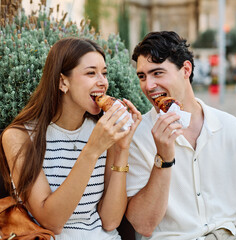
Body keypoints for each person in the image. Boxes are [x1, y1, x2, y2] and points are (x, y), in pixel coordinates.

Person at [125, 31, 236, 240]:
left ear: (185, 69)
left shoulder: (230, 127)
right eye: (142, 76)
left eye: (157, 73)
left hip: (227, 234)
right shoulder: (138, 135)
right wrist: (163, 160)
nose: (148, 86)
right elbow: (143, 224)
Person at [0, 37, 141, 239]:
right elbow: (52, 222)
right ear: (62, 82)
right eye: (91, 73)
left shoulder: (103, 131)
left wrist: (122, 149)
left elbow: (110, 221)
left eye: (104, 73)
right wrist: (92, 151)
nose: (103, 82)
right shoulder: (19, 137)